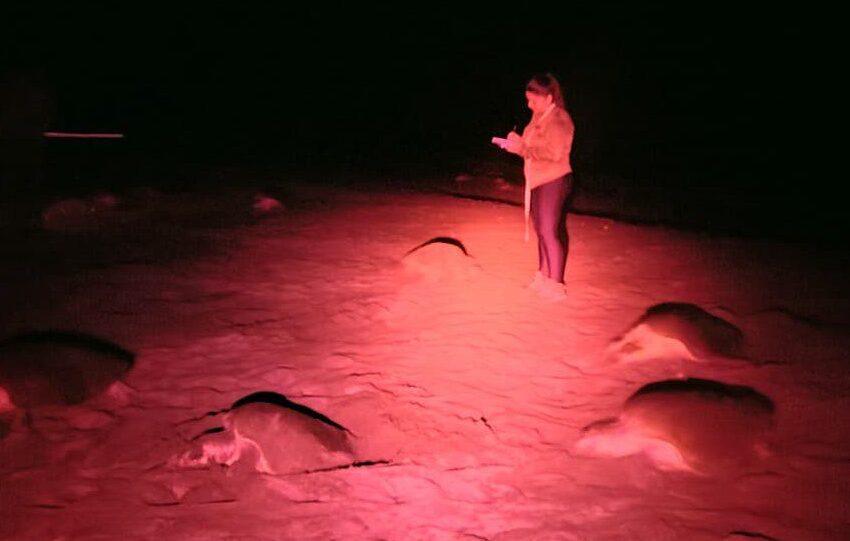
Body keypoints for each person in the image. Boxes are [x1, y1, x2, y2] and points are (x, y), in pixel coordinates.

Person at [495, 73, 575, 300]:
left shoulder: (559, 119)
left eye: (534, 100)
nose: (530, 105)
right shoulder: (538, 117)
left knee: (549, 231)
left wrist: (522, 148)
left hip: (554, 179)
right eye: (528, 100)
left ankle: (556, 284)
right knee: (542, 231)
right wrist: (516, 142)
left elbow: (554, 153)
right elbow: (532, 148)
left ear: (549, 98)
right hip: (538, 179)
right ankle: (543, 276)